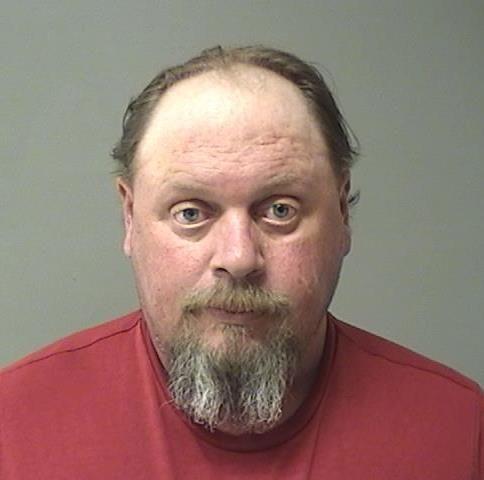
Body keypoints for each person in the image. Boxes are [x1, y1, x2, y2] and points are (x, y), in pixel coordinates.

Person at [0, 45, 482, 479]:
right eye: (191, 213)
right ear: (130, 216)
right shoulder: (13, 426)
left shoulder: (461, 432)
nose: (238, 258)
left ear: (342, 212)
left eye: (280, 210)